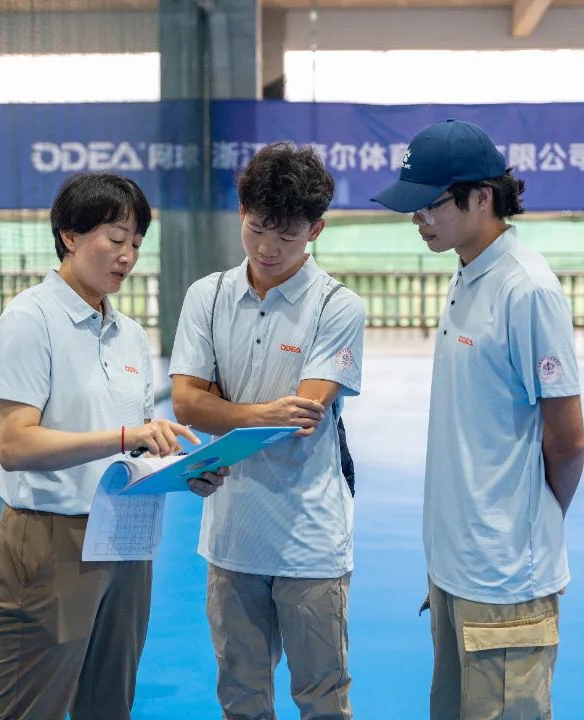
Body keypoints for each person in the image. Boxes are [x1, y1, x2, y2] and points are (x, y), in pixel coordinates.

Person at [0, 172, 227, 720]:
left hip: (125, 535)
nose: (127, 256)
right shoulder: (29, 320)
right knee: (32, 708)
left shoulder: (130, 335)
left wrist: (181, 469)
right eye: (116, 239)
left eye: (136, 244)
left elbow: (136, 447)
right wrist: (125, 436)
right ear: (69, 235)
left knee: (109, 705)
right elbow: (14, 444)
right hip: (51, 539)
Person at [372, 118, 584, 720]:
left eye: (430, 205)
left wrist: (528, 522)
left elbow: (568, 440)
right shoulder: (468, 273)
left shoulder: (527, 290)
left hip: (505, 578)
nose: (418, 219)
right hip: (454, 567)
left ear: (482, 197)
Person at [170, 142, 366, 719]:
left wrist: (221, 406)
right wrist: (256, 414)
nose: (266, 248)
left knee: (323, 701)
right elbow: (185, 402)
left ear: (316, 230)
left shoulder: (338, 306)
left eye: (287, 235)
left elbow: (303, 416)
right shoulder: (207, 296)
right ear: (241, 212)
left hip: (311, 541)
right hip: (231, 537)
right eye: (256, 228)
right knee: (241, 699)